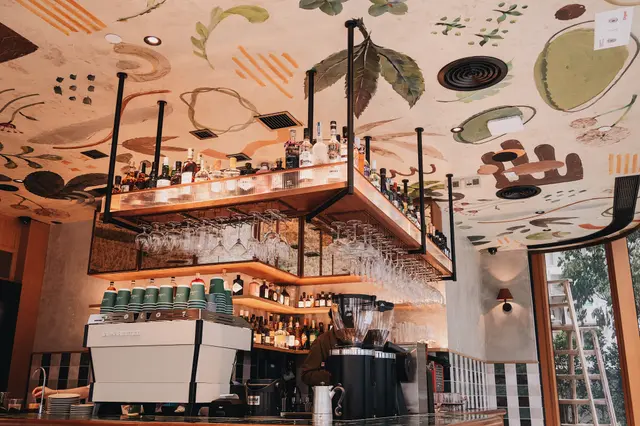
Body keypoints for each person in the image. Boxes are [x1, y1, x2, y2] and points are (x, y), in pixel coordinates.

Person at [301, 314, 339, 386]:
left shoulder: (359, 339)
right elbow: (306, 375)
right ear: (332, 321)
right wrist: (332, 376)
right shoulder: (321, 341)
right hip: (330, 392)